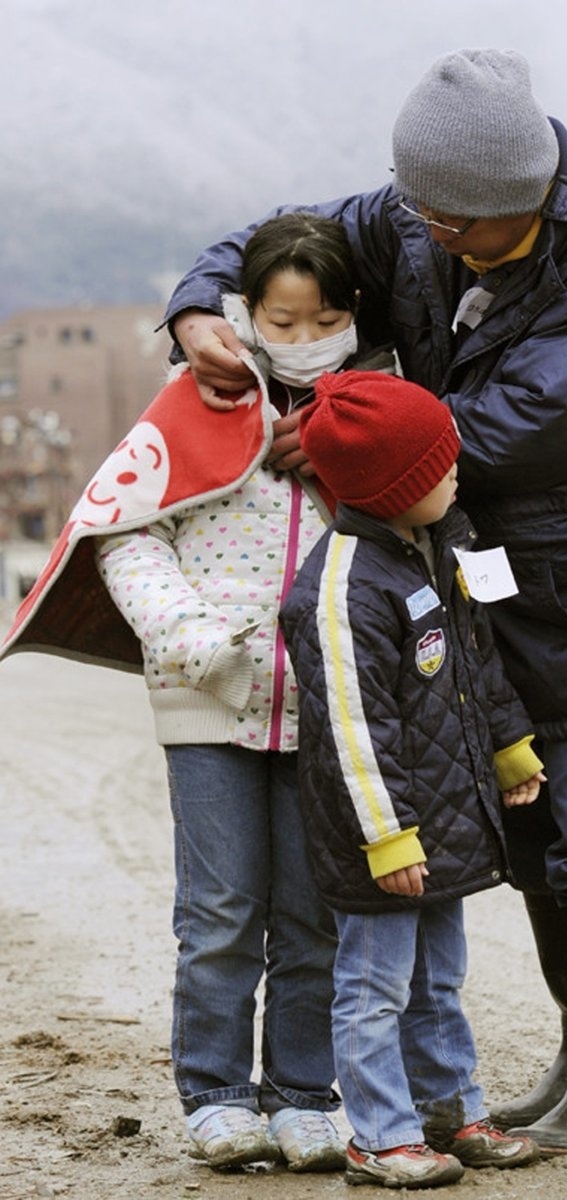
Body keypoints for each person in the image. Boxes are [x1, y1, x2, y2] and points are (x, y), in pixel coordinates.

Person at [161, 48, 567, 1156]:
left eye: (452, 222)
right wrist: (193, 307)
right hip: (495, 587)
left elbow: (488, 436)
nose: (425, 234)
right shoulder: (429, 215)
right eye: (417, 209)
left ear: (523, 201)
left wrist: (320, 439)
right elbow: (289, 235)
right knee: (545, 827)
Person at [1, 212, 395, 1172]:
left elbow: (411, 533)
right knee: (220, 910)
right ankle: (216, 1092)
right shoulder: (195, 401)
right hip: (206, 701)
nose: (303, 341)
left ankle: (304, 1093)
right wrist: (188, 638)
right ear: (245, 313)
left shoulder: (379, 412)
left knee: (313, 912)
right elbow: (126, 530)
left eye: (325, 320)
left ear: (356, 316)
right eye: (282, 320)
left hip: (326, 714)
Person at [278, 368, 546, 1189]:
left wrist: (507, 752)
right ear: (390, 486)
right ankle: (379, 1135)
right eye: (439, 465)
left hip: (443, 823)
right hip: (385, 839)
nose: (456, 470)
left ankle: (451, 1108)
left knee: (438, 978)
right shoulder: (342, 586)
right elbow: (352, 732)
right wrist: (386, 839)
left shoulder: (438, 543)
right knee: (372, 989)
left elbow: (473, 660)